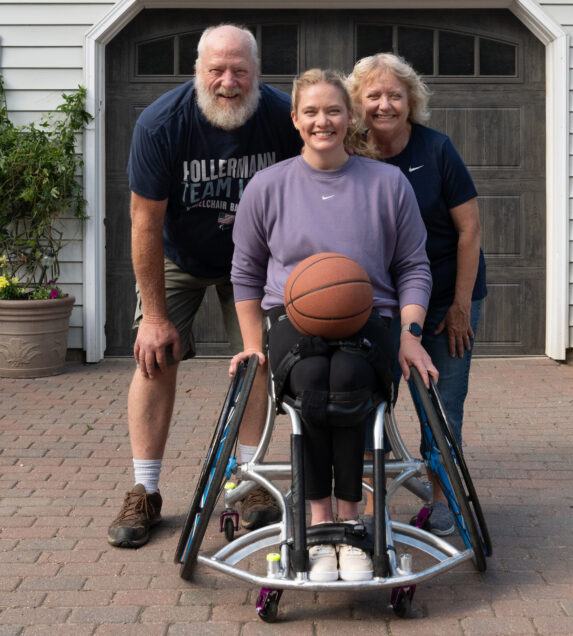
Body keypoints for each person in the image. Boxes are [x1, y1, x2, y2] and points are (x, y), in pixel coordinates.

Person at [230, 69, 437, 582]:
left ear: (350, 117)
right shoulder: (268, 186)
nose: (323, 121)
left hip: (370, 318)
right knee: (310, 383)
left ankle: (353, 521)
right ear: (296, 119)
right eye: (312, 112)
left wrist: (410, 338)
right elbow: (246, 273)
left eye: (334, 110)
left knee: (347, 381)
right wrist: (254, 345)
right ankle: (319, 526)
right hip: (290, 317)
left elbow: (414, 266)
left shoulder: (388, 184)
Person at [107, 24, 302, 549]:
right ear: (198, 70)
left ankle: (250, 480)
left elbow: (318, 180)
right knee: (155, 354)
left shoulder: (284, 118)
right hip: (181, 255)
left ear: (256, 72)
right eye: (216, 69)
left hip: (255, 258)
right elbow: (144, 223)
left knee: (258, 356)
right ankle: (144, 491)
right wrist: (153, 316)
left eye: (240, 70)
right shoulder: (161, 123)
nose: (228, 81)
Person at [348, 53, 487, 536]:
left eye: (394, 95)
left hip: (448, 296)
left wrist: (459, 308)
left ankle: (446, 501)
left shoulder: (437, 149)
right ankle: (368, 509)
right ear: (357, 103)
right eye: (373, 96)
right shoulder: (350, 153)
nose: (384, 105)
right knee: (364, 406)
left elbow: (469, 231)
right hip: (379, 304)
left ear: (411, 101)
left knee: (441, 408)